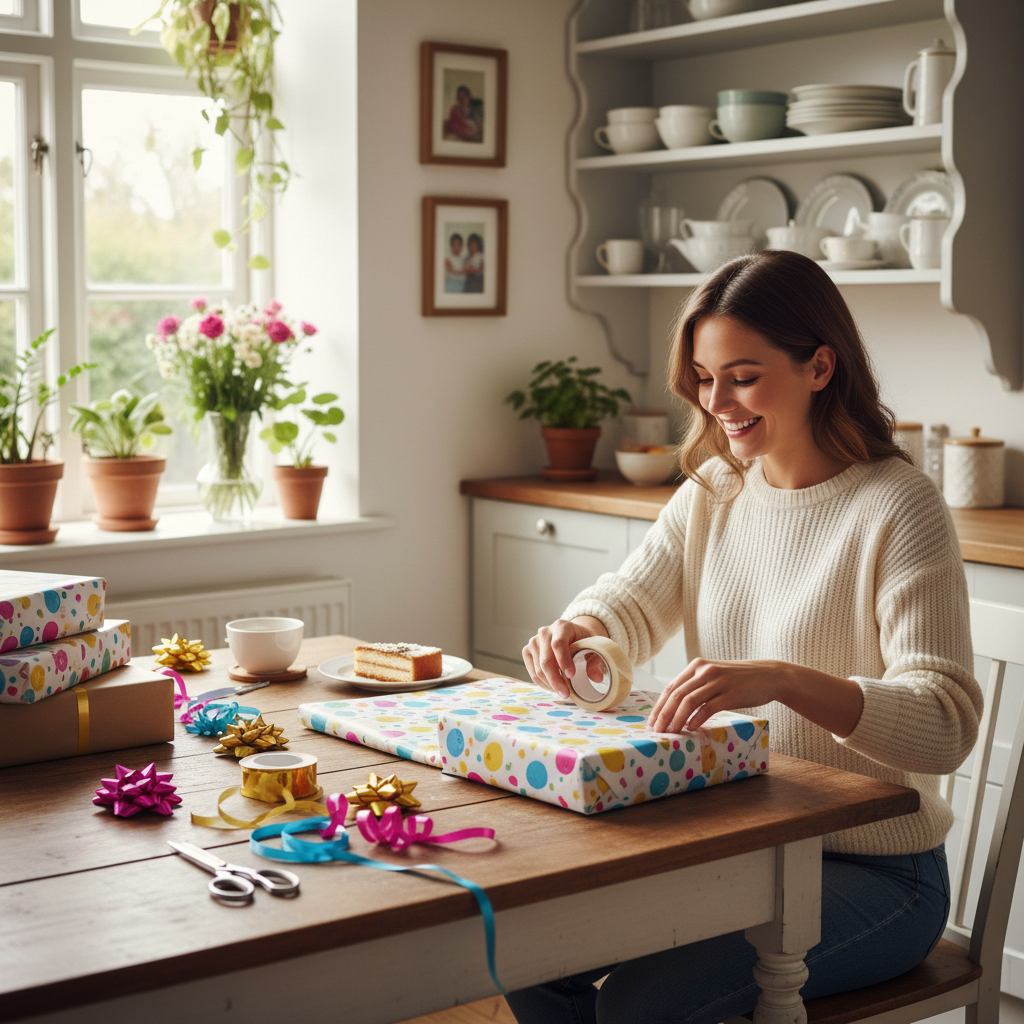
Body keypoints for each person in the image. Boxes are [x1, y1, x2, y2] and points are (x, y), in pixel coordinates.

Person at [509, 250, 982, 1024]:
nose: (716, 400)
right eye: (703, 376)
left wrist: (784, 678)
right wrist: (579, 630)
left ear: (820, 366)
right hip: (742, 851)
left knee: (636, 1006)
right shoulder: (717, 490)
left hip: (879, 873)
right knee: (530, 949)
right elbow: (629, 597)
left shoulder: (900, 505)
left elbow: (946, 727)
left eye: (743, 374)